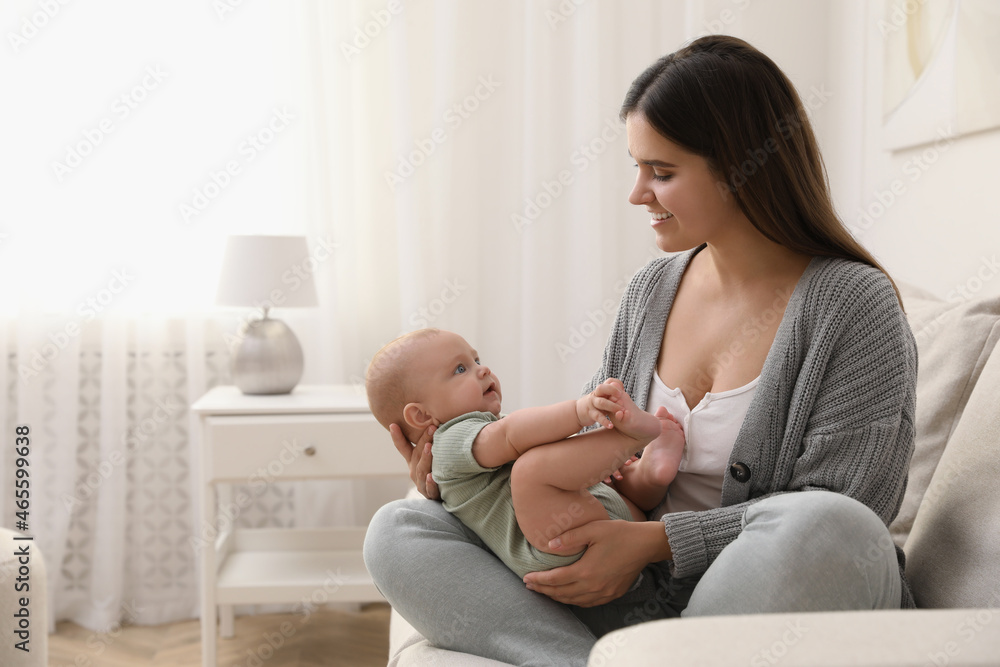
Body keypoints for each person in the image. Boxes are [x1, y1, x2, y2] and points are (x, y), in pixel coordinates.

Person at [364, 34, 917, 666]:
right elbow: (592, 462)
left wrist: (656, 542)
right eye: (637, 167)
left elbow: (849, 508)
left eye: (662, 172)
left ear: (743, 166)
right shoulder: (652, 291)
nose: (637, 194)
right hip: (630, 592)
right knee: (400, 529)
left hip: (764, 593)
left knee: (827, 523)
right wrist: (460, 478)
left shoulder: (853, 302)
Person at [364, 328, 685, 579]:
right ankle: (631, 438)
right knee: (531, 470)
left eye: (476, 360)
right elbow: (511, 435)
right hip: (552, 548)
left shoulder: (483, 431)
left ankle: (649, 474)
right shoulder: (449, 442)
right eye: (460, 369)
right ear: (421, 416)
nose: (482, 369)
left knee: (613, 475)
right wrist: (581, 410)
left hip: (599, 524)